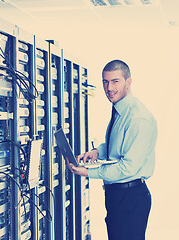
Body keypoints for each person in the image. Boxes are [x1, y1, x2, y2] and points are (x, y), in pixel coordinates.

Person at [66, 60, 157, 240]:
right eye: (105, 82)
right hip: (119, 195)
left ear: (128, 82)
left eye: (115, 81)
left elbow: (127, 168)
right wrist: (97, 152)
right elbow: (117, 145)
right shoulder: (121, 110)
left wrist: (87, 172)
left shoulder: (137, 118)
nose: (109, 87)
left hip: (129, 197)